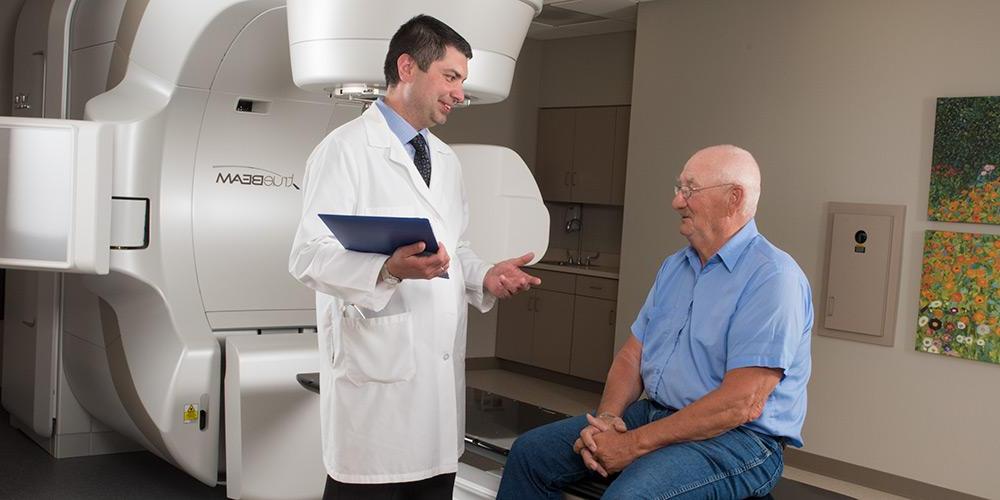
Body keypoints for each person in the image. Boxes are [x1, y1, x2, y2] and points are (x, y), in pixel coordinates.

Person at [288, 14, 540, 499]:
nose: (460, 93)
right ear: (407, 67)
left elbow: (453, 247)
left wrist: (486, 275)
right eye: (451, 77)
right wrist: (385, 269)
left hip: (435, 392)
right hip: (376, 380)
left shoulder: (444, 160)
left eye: (462, 81)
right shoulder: (343, 151)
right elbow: (307, 255)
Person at [497, 145, 813, 499]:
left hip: (739, 440)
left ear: (733, 198)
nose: (677, 202)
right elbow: (633, 356)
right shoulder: (675, 267)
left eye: (689, 190)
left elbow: (741, 403)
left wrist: (632, 445)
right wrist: (608, 420)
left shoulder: (773, 278)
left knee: (630, 497)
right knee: (530, 455)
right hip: (655, 414)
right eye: (679, 189)